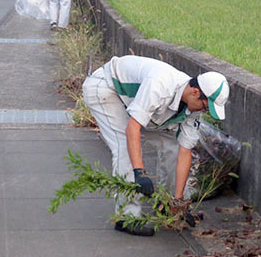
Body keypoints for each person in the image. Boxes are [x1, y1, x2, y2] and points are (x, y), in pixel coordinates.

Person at [82, 55, 230, 236]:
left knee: (173, 146)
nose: (203, 111)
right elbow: (133, 129)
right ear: (195, 92)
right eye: (205, 106)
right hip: (107, 89)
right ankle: (127, 218)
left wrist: (178, 201)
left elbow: (184, 151)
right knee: (124, 146)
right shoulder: (160, 85)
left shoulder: (193, 110)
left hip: (133, 101)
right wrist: (140, 173)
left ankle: (166, 205)